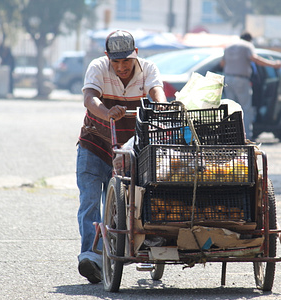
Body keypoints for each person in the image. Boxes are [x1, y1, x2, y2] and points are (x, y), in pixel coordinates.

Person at [76, 30, 167, 283]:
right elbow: (89, 99)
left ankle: (118, 250)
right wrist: (107, 112)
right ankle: (91, 257)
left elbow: (157, 92)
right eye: (115, 61)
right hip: (94, 145)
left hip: (128, 151)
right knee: (90, 203)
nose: (121, 67)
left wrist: (161, 107)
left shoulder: (148, 69)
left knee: (125, 205)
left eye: (126, 61)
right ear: (107, 57)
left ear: (135, 55)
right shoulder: (97, 67)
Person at [221, 32, 281, 140]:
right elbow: (255, 59)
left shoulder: (229, 46)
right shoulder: (247, 46)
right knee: (245, 109)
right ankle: (246, 136)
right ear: (250, 39)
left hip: (227, 79)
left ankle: (230, 135)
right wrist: (274, 65)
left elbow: (222, 63)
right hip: (241, 80)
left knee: (230, 109)